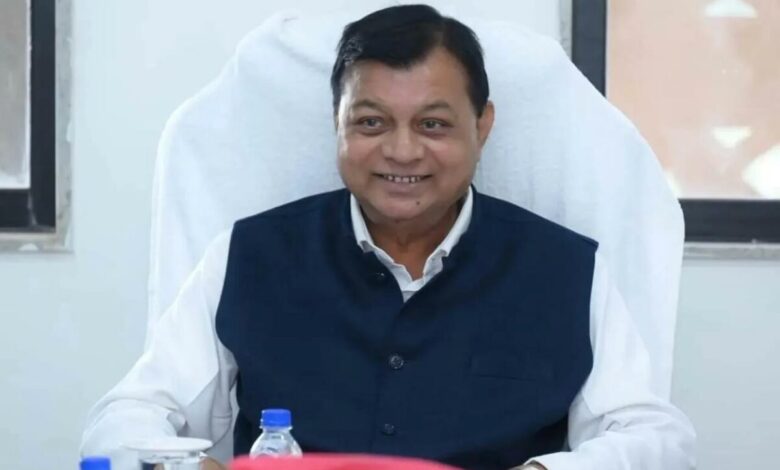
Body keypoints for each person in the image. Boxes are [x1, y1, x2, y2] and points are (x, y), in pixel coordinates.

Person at [81, 5, 695, 470]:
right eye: (372, 122)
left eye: (433, 124)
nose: (402, 151)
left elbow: (655, 439)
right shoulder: (249, 256)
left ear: (483, 125)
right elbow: (124, 420)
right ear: (337, 124)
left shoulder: (565, 270)